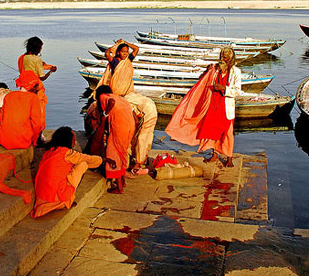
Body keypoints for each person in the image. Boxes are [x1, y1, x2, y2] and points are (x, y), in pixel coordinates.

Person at [165, 46, 242, 167]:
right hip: (212, 104)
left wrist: (224, 88)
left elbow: (237, 91)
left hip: (226, 106)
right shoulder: (215, 69)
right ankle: (214, 154)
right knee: (212, 130)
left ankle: (229, 157)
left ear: (230, 58)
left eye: (225, 56)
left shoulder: (235, 71)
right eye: (222, 55)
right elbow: (202, 80)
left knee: (227, 132)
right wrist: (206, 71)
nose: (223, 57)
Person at [96, 39, 157, 172]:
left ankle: (139, 156)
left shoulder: (128, 60)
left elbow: (136, 49)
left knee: (148, 107)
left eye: (126, 52)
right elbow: (107, 53)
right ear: (118, 52)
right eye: (123, 52)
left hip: (128, 92)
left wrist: (126, 43)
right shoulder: (115, 62)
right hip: (117, 93)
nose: (125, 54)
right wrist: (117, 45)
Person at [31, 126, 102, 218]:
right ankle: (68, 200)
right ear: (68, 140)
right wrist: (103, 160)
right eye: (73, 139)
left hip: (42, 196)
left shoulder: (50, 151)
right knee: (83, 164)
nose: (74, 141)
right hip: (56, 197)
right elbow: (88, 159)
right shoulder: (67, 153)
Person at [89, 85, 136, 193]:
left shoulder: (104, 97)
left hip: (120, 128)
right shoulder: (121, 99)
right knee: (122, 153)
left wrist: (105, 114)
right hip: (129, 127)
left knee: (113, 153)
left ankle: (119, 188)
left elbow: (111, 103)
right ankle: (122, 181)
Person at [0, 76, 45, 150]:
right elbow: (36, 124)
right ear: (33, 86)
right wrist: (35, 141)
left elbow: (0, 118)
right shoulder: (33, 98)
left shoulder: (9, 95)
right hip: (21, 141)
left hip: (3, 139)